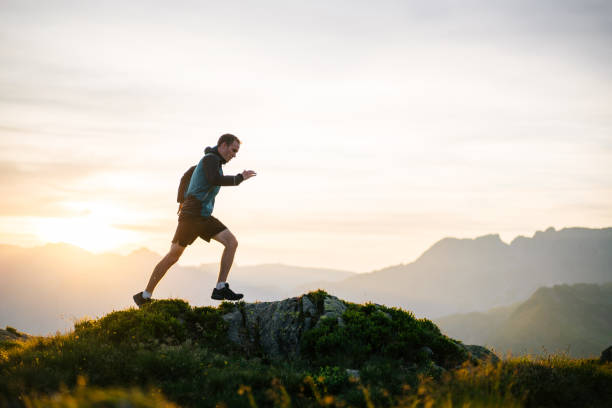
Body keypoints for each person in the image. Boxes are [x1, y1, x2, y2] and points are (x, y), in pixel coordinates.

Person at [133, 133, 256, 307]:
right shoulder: (210, 160)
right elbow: (213, 179)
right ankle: (145, 296)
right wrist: (238, 179)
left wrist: (181, 202)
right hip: (192, 216)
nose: (234, 154)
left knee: (231, 242)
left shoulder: (212, 162)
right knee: (173, 256)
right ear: (223, 145)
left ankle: (220, 287)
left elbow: (187, 176)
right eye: (233, 150)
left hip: (202, 216)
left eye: (236, 152)